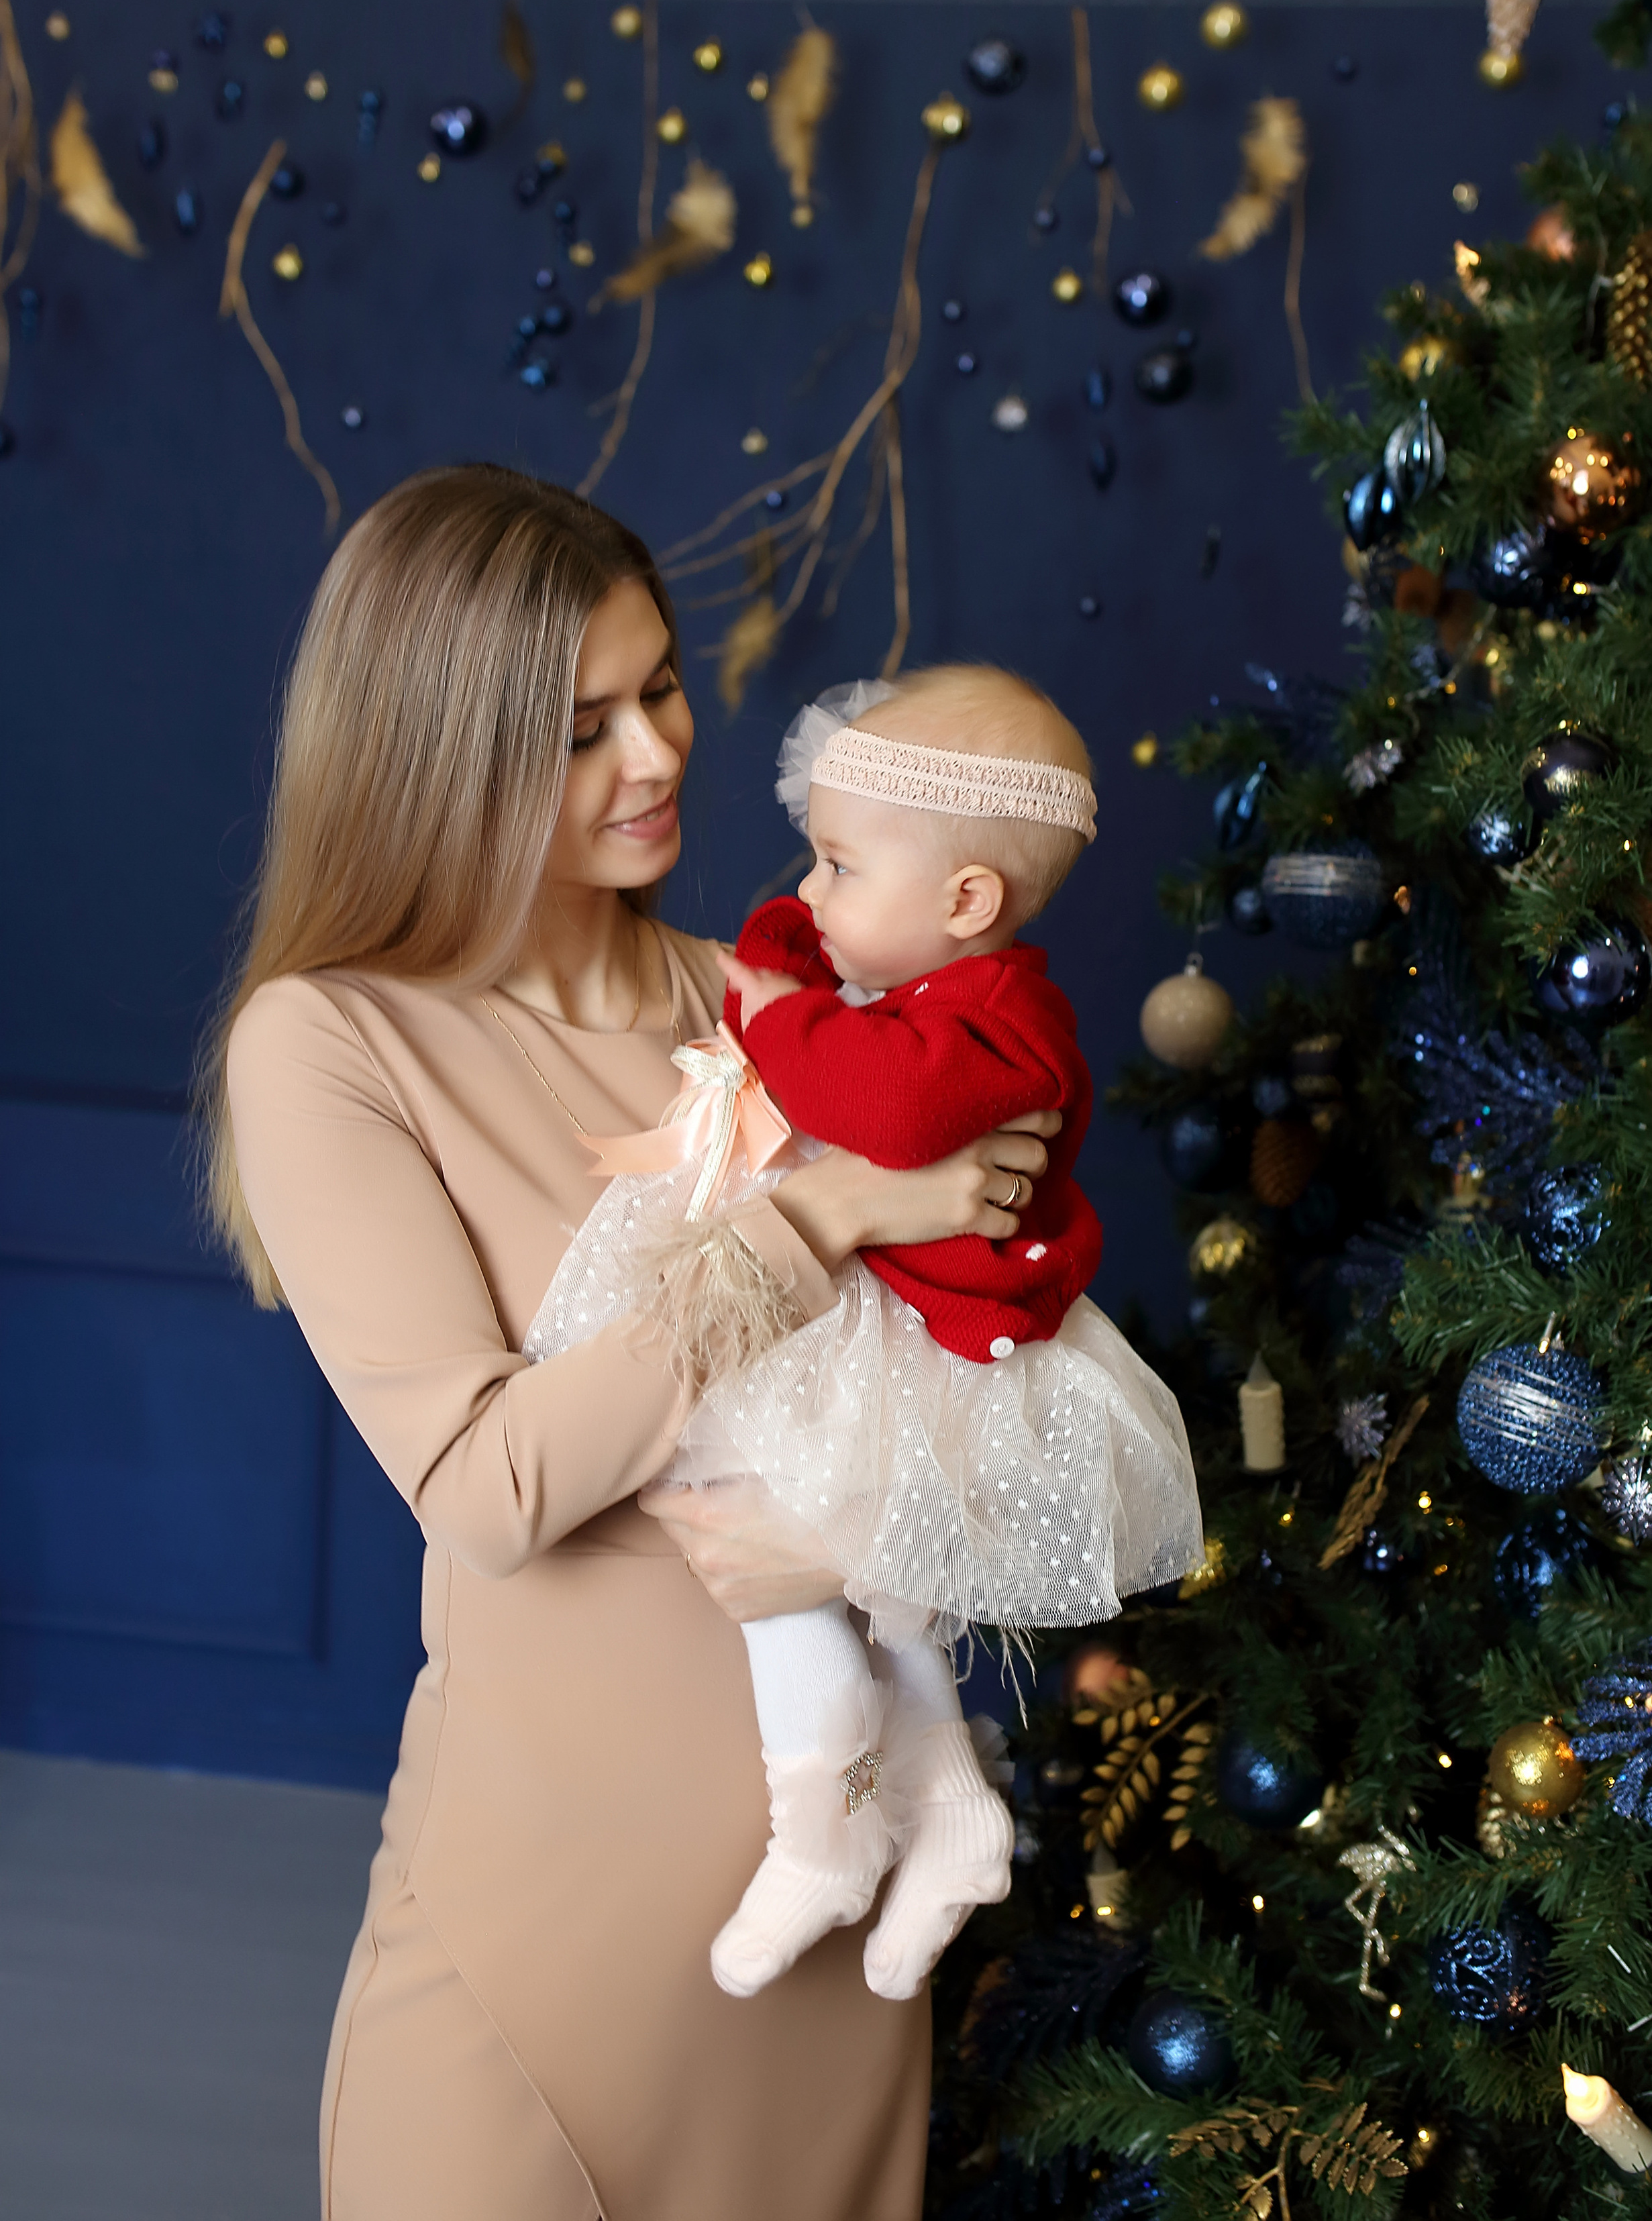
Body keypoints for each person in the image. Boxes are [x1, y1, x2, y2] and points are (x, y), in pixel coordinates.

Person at [201, 466, 1062, 2221]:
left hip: (823, 1952)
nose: (658, 756)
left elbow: (981, 1375)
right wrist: (820, 1218)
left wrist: (859, 1532)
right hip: (536, 1954)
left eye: (658, 688)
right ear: (441, 751)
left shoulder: (781, 1005)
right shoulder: (330, 1046)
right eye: (578, 726)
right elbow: (495, 1485)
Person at [522, 668, 1202, 2010]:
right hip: (874, 1326)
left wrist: (775, 1004)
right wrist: (797, 943)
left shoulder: (1001, 1026)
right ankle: (947, 1811)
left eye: (837, 864)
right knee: (870, 1613)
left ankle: (820, 1837)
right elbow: (794, 967)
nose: (810, 894)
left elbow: (877, 1108)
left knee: (788, 1576)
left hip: (946, 1350)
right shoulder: (909, 973)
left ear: (963, 904)